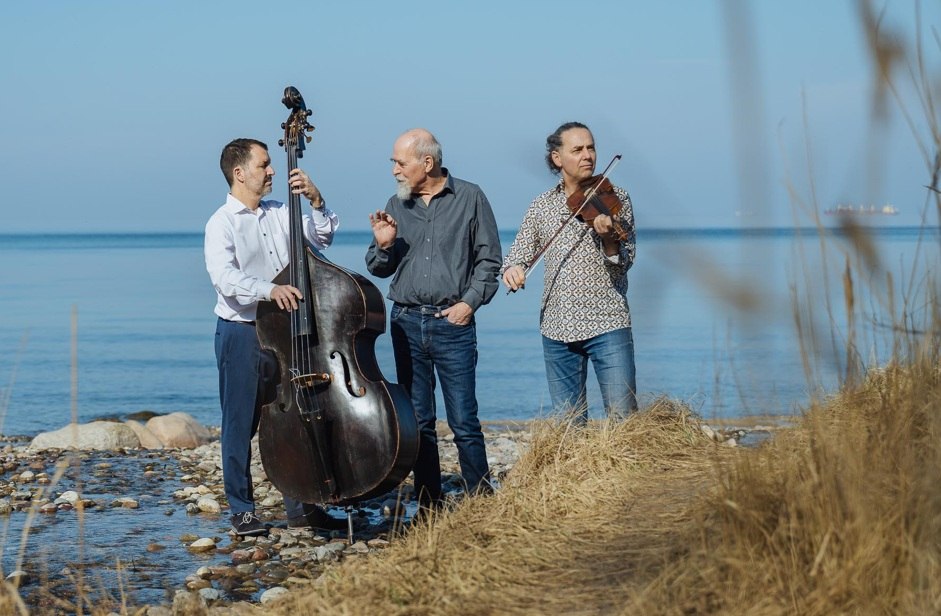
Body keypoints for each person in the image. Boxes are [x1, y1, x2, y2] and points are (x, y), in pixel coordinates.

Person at [205, 137, 346, 536]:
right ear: (239, 173)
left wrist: (318, 202)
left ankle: (302, 507)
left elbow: (321, 241)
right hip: (242, 332)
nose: (272, 172)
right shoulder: (222, 223)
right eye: (264, 165)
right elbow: (225, 279)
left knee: (297, 416)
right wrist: (271, 290)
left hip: (286, 334)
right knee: (240, 422)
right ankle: (242, 510)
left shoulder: (282, 211)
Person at [365, 128, 502, 511]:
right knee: (419, 421)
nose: (394, 169)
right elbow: (378, 268)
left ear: (427, 163)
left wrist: (470, 304)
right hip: (406, 322)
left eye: (400, 161)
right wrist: (383, 245)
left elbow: (489, 261)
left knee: (464, 421)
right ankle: (428, 502)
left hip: (452, 323)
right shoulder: (396, 204)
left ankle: (481, 501)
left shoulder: (471, 198)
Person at [502, 122, 638, 422]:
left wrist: (608, 238)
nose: (588, 155)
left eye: (591, 147)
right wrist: (512, 270)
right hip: (556, 327)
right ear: (557, 158)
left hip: (607, 322)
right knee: (568, 426)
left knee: (623, 419)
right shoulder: (542, 206)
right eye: (577, 149)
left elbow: (626, 261)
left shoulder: (617, 199)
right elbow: (517, 255)